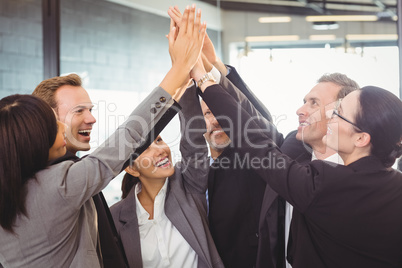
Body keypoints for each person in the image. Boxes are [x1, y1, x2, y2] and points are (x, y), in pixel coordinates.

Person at [0, 6, 205, 267]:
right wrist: (179, 68)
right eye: (55, 124)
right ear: (32, 137)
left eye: (91, 109)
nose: (91, 119)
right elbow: (127, 138)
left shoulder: (16, 185)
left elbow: (134, 140)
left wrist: (182, 83)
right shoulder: (59, 186)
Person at [193, 54, 402, 267]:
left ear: (361, 138)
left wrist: (202, 79)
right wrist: (218, 71)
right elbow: (259, 129)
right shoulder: (395, 185)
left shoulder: (325, 184)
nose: (330, 117)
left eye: (338, 114)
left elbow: (257, 147)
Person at [168, 6, 284, 267]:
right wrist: (182, 68)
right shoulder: (193, 173)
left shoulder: (251, 159)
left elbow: (258, 121)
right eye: (206, 115)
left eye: (218, 112)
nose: (214, 120)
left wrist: (212, 66)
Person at [110, 83, 223, 268]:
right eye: (146, 149)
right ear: (131, 169)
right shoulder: (116, 216)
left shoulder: (188, 184)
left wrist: (185, 81)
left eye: (159, 140)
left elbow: (193, 140)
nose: (160, 150)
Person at [32, 73, 130, 267]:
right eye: (79, 111)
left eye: (90, 110)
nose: (92, 118)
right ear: (48, 119)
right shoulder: (52, 183)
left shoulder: (79, 169)